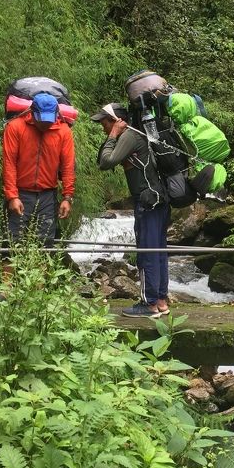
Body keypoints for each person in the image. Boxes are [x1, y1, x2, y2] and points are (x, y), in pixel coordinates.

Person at [92, 103, 170, 319]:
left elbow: (106, 162)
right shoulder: (138, 134)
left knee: (147, 251)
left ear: (116, 121)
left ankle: (150, 304)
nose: (102, 127)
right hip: (158, 199)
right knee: (158, 251)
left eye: (104, 122)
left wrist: (114, 135)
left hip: (148, 201)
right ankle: (161, 301)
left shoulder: (129, 136)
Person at [2, 91, 75, 245]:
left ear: (56, 114)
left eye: (49, 120)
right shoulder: (15, 127)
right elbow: (9, 163)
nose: (45, 124)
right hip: (20, 193)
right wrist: (12, 196)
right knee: (11, 245)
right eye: (42, 120)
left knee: (45, 246)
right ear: (32, 112)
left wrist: (67, 197)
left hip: (48, 196)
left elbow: (68, 166)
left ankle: (41, 270)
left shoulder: (64, 132)